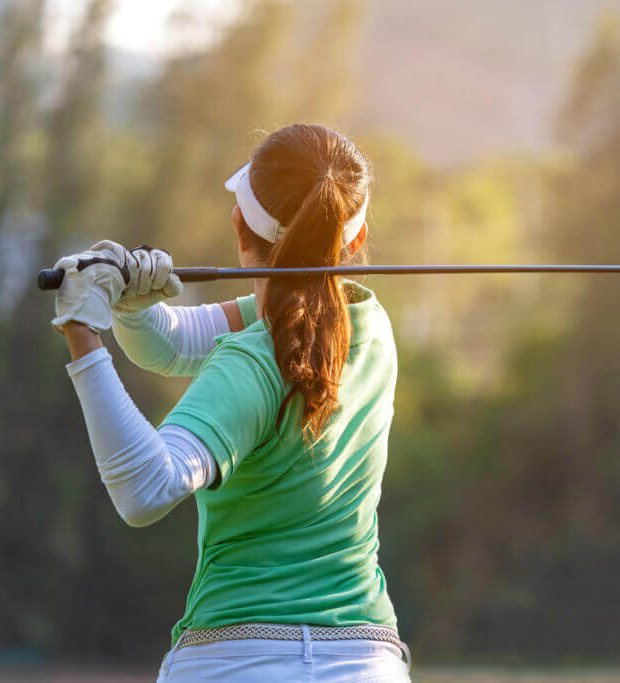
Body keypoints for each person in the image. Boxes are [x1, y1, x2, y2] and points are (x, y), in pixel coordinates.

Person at [51, 123, 410, 682]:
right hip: (364, 663)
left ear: (240, 225)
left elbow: (144, 489)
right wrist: (132, 308)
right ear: (355, 241)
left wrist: (81, 330)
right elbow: (171, 344)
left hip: (234, 661)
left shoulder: (250, 361)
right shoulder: (373, 328)